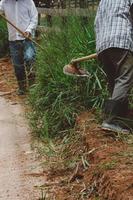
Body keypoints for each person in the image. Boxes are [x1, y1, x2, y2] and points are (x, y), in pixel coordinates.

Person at [94, 0, 133, 133]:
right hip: (120, 39)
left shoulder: (103, 1)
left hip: (102, 44)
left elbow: (96, 22)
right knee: (125, 77)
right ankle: (111, 120)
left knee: (114, 82)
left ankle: (119, 119)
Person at [0, 0, 38, 95]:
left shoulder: (29, 2)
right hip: (13, 40)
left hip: (27, 39)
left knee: (30, 58)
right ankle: (22, 87)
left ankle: (33, 86)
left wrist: (29, 30)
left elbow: (34, 18)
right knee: (17, 66)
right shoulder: (4, 2)